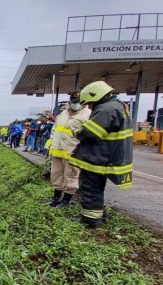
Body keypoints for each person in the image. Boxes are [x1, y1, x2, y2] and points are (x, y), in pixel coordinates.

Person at [69, 81, 133, 227]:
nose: (90, 107)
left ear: (96, 96)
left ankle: (91, 219)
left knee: (90, 187)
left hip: (99, 158)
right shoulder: (116, 106)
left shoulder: (106, 110)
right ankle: (97, 212)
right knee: (96, 187)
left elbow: (90, 132)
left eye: (90, 104)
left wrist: (77, 132)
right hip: (106, 156)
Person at [47, 92, 91, 207]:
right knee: (56, 175)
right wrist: (50, 145)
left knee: (71, 176)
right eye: (74, 102)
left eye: (78, 102)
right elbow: (54, 130)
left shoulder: (88, 115)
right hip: (57, 150)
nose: (75, 104)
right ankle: (55, 199)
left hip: (73, 152)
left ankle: (66, 201)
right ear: (70, 101)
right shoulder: (63, 114)